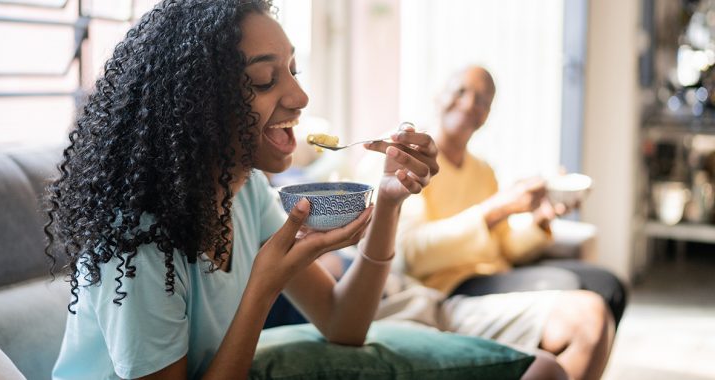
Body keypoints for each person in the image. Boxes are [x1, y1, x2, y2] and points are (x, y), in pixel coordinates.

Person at [44, 1, 439, 379]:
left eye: (293, 71)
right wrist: (263, 288)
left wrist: (388, 202)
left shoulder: (246, 192)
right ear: (195, 104)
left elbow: (343, 324)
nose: (300, 98)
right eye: (264, 81)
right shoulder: (138, 246)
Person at [375, 65, 617, 380]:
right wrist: (495, 209)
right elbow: (413, 255)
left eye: (482, 100)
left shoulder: (483, 171)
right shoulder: (409, 164)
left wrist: (540, 221)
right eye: (461, 91)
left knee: (610, 284)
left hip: (491, 275)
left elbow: (505, 247)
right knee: (582, 290)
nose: (469, 104)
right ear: (438, 96)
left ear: (486, 115)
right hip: (449, 286)